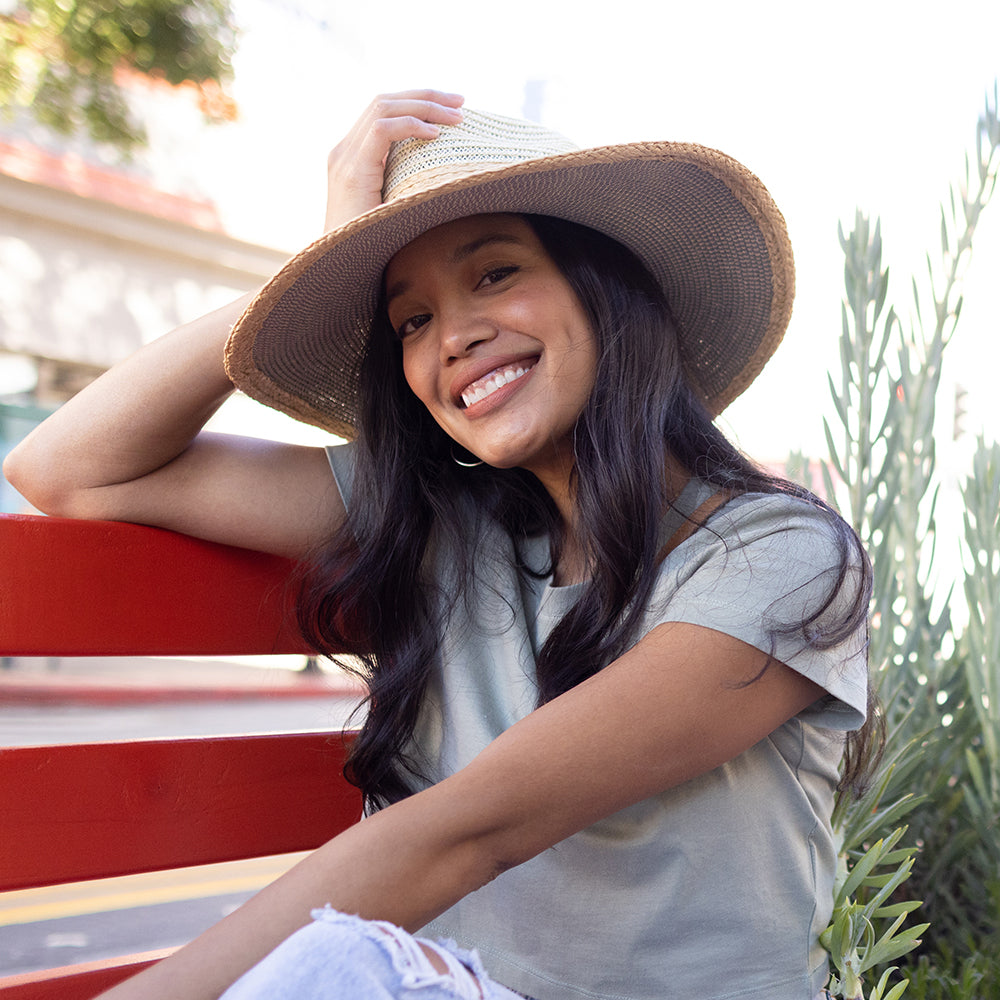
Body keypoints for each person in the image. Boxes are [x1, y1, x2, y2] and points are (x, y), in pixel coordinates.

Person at [3, 90, 880, 1000]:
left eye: (495, 273)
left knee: (346, 964)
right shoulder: (442, 524)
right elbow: (70, 468)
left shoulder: (780, 556)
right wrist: (302, 270)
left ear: (609, 286)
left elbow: (467, 832)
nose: (454, 335)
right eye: (410, 320)